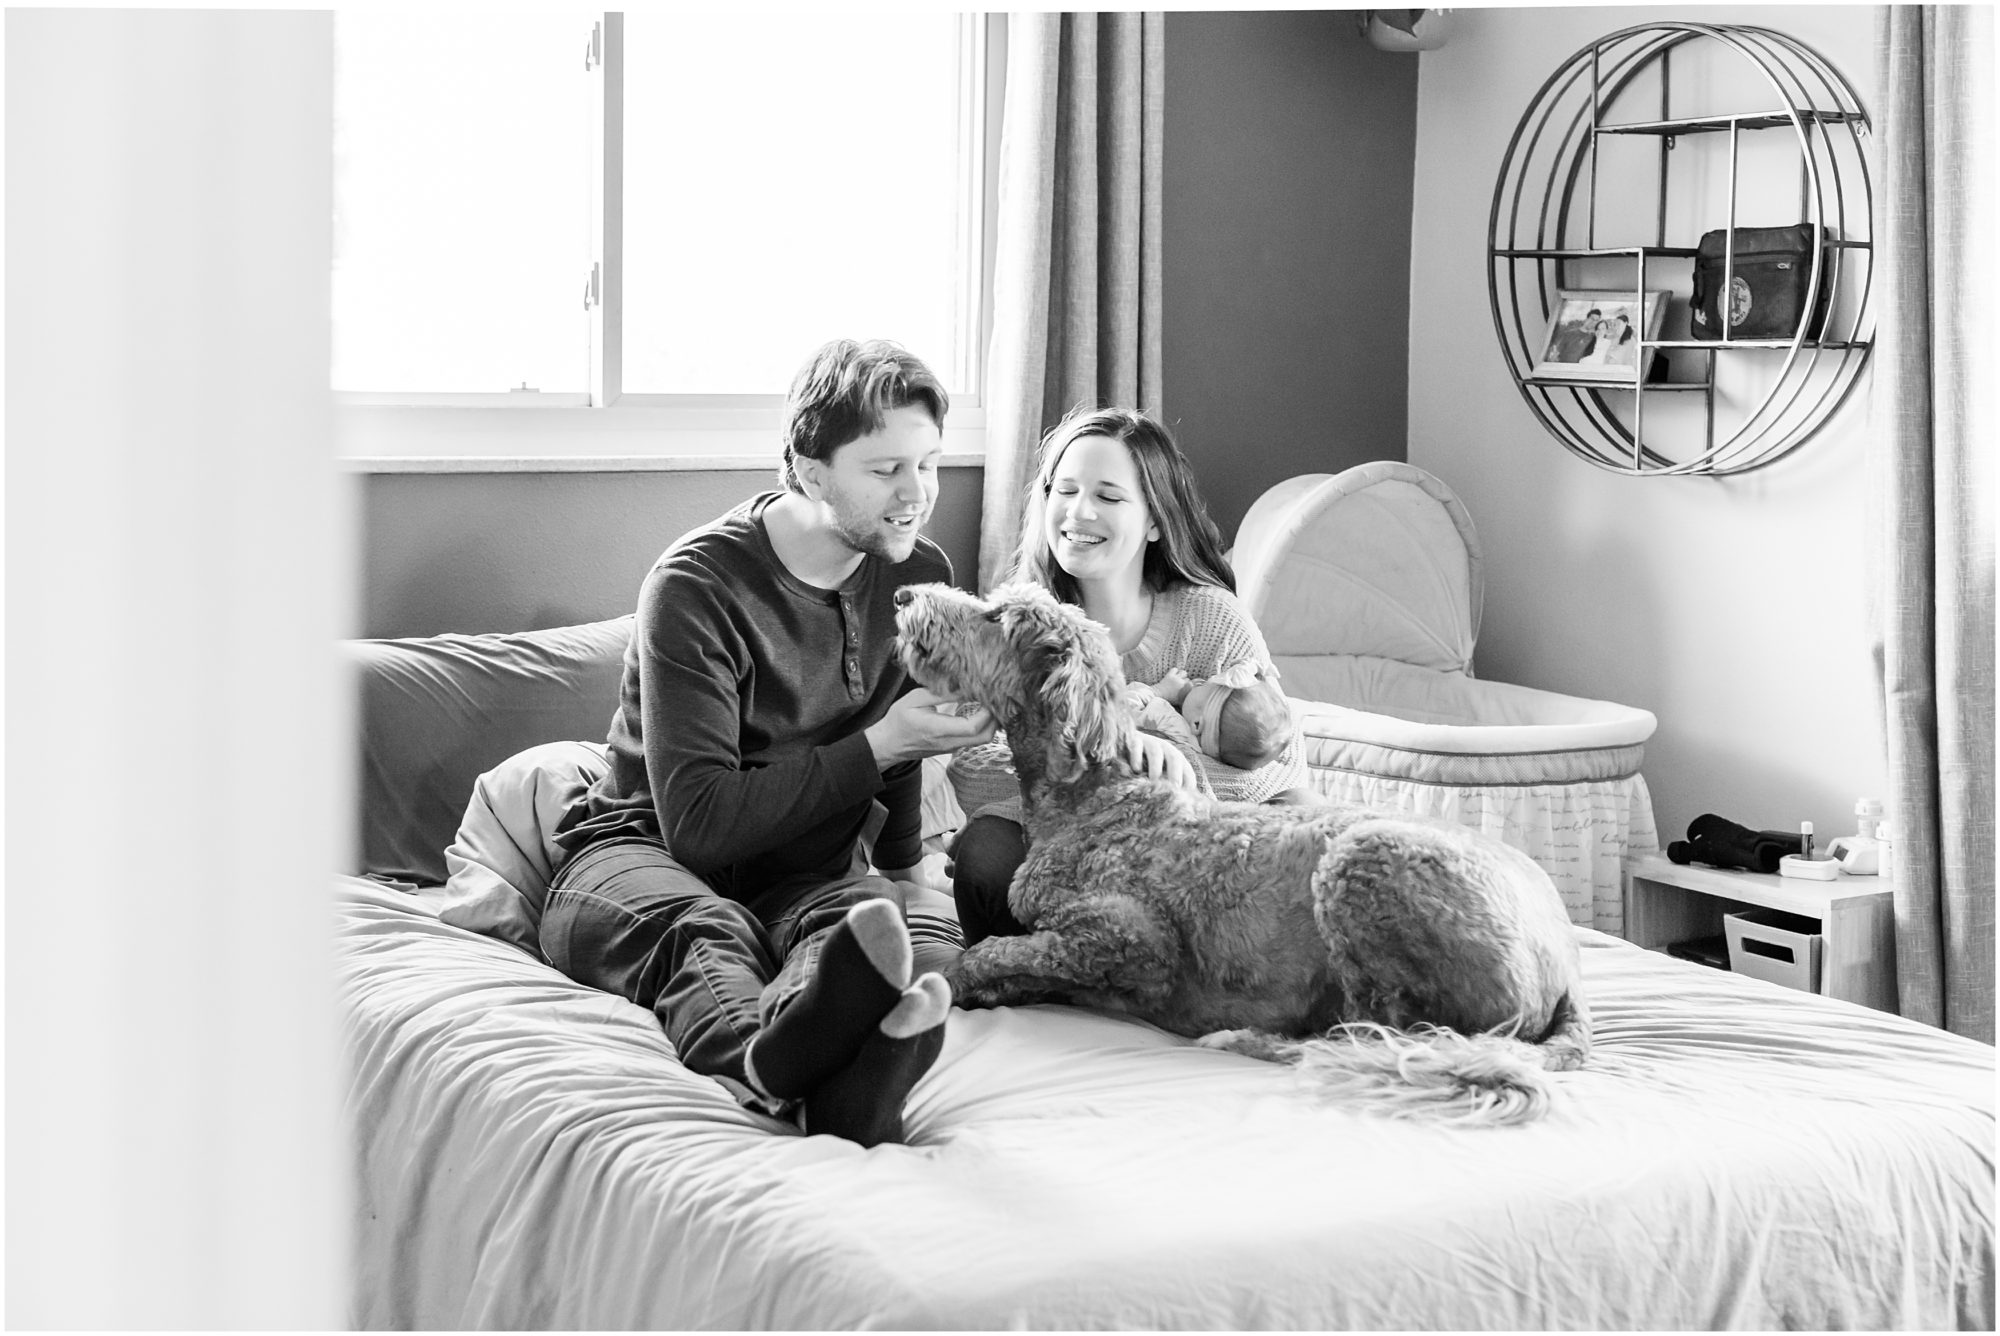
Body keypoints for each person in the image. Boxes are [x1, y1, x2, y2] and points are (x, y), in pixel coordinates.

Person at [541, 338, 997, 1148]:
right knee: (705, 931)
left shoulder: (915, 569)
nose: (916, 495)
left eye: (927, 465)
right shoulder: (697, 586)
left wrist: (900, 870)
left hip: (805, 870)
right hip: (643, 857)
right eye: (885, 469)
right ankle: (764, 1061)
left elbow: (893, 731)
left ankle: (845, 1095)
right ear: (808, 469)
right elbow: (702, 825)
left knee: (864, 931)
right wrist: (884, 744)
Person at [948, 406, 1312, 945]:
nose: (1078, 511)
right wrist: (1111, 756)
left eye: (1108, 496)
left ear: (1155, 520)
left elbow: (1283, 769)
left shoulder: (1211, 618)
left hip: (1183, 851)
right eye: (1063, 490)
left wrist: (1182, 764)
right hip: (1066, 852)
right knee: (984, 858)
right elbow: (972, 766)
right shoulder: (1019, 630)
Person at [1127, 663, 1293, 771]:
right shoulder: (1209, 760)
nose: (1197, 680)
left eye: (1202, 686)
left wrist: (1159, 690)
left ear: (1197, 724)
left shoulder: (1167, 720)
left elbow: (1117, 709)